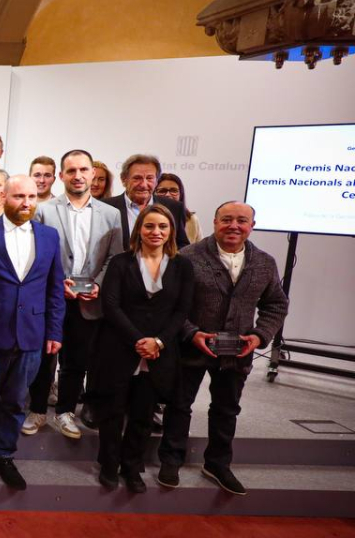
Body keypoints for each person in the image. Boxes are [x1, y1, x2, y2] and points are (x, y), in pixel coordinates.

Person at [157, 201, 289, 495]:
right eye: (227, 219)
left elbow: (277, 304)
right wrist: (191, 333)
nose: (234, 226)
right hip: (191, 348)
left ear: (251, 225)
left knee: (226, 409)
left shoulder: (264, 262)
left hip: (238, 352)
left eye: (242, 221)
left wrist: (259, 336)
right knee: (179, 405)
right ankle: (170, 459)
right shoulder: (187, 257)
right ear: (215, 222)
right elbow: (170, 305)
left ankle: (217, 463)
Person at [0, 175, 65, 491]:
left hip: (32, 332)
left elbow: (54, 288)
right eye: (19, 196)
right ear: (4, 196)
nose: (26, 203)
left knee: (17, 400)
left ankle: (3, 454)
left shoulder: (49, 236)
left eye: (32, 197)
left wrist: (55, 330)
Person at [93, 204, 193, 493]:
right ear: (139, 229)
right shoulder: (121, 262)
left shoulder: (182, 265)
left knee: (143, 414)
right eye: (149, 226)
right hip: (120, 348)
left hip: (159, 353)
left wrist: (158, 342)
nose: (156, 232)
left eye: (163, 226)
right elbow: (110, 306)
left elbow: (182, 310)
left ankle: (132, 466)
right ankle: (109, 465)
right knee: (112, 411)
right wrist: (138, 340)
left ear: (171, 231)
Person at [25, 150, 124, 440]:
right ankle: (38, 409)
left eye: (83, 170)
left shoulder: (111, 214)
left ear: (93, 174)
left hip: (90, 300)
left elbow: (114, 258)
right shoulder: (44, 210)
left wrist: (97, 284)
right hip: (53, 298)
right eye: (71, 171)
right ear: (61, 176)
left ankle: (66, 411)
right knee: (46, 357)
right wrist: (59, 284)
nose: (78, 176)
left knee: (77, 360)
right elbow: (39, 256)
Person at [102, 154, 190, 249]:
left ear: (156, 181)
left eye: (149, 178)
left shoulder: (174, 207)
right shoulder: (105, 207)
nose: (144, 184)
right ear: (124, 180)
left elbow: (181, 246)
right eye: (137, 178)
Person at [156, 173, 203, 243]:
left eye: (174, 190)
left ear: (181, 194)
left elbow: (200, 248)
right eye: (162, 191)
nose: (168, 195)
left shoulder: (191, 219)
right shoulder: (145, 217)